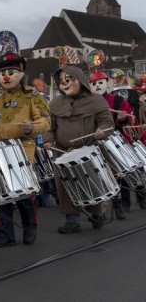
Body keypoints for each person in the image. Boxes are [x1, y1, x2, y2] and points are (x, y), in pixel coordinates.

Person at [0, 43, 50, 247]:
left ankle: (29, 226)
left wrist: (31, 127)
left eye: (11, 72)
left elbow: (45, 121)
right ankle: (6, 235)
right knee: (2, 194)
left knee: (24, 193)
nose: (6, 76)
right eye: (2, 73)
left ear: (21, 73)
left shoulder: (32, 95)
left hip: (22, 148)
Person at [43, 64, 114, 234]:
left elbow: (107, 122)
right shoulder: (55, 103)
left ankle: (97, 214)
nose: (65, 83)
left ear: (80, 80)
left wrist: (100, 131)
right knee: (66, 186)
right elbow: (48, 127)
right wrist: (48, 140)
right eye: (61, 81)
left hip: (89, 149)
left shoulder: (96, 100)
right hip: (63, 152)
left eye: (69, 79)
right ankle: (72, 220)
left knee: (93, 183)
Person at [88, 70, 132, 219]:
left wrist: (122, 119)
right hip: (93, 142)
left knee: (118, 174)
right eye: (94, 84)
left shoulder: (118, 100)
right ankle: (99, 211)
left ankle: (119, 204)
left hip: (114, 140)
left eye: (100, 82)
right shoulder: (87, 103)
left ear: (107, 83)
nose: (98, 86)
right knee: (98, 176)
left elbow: (129, 122)